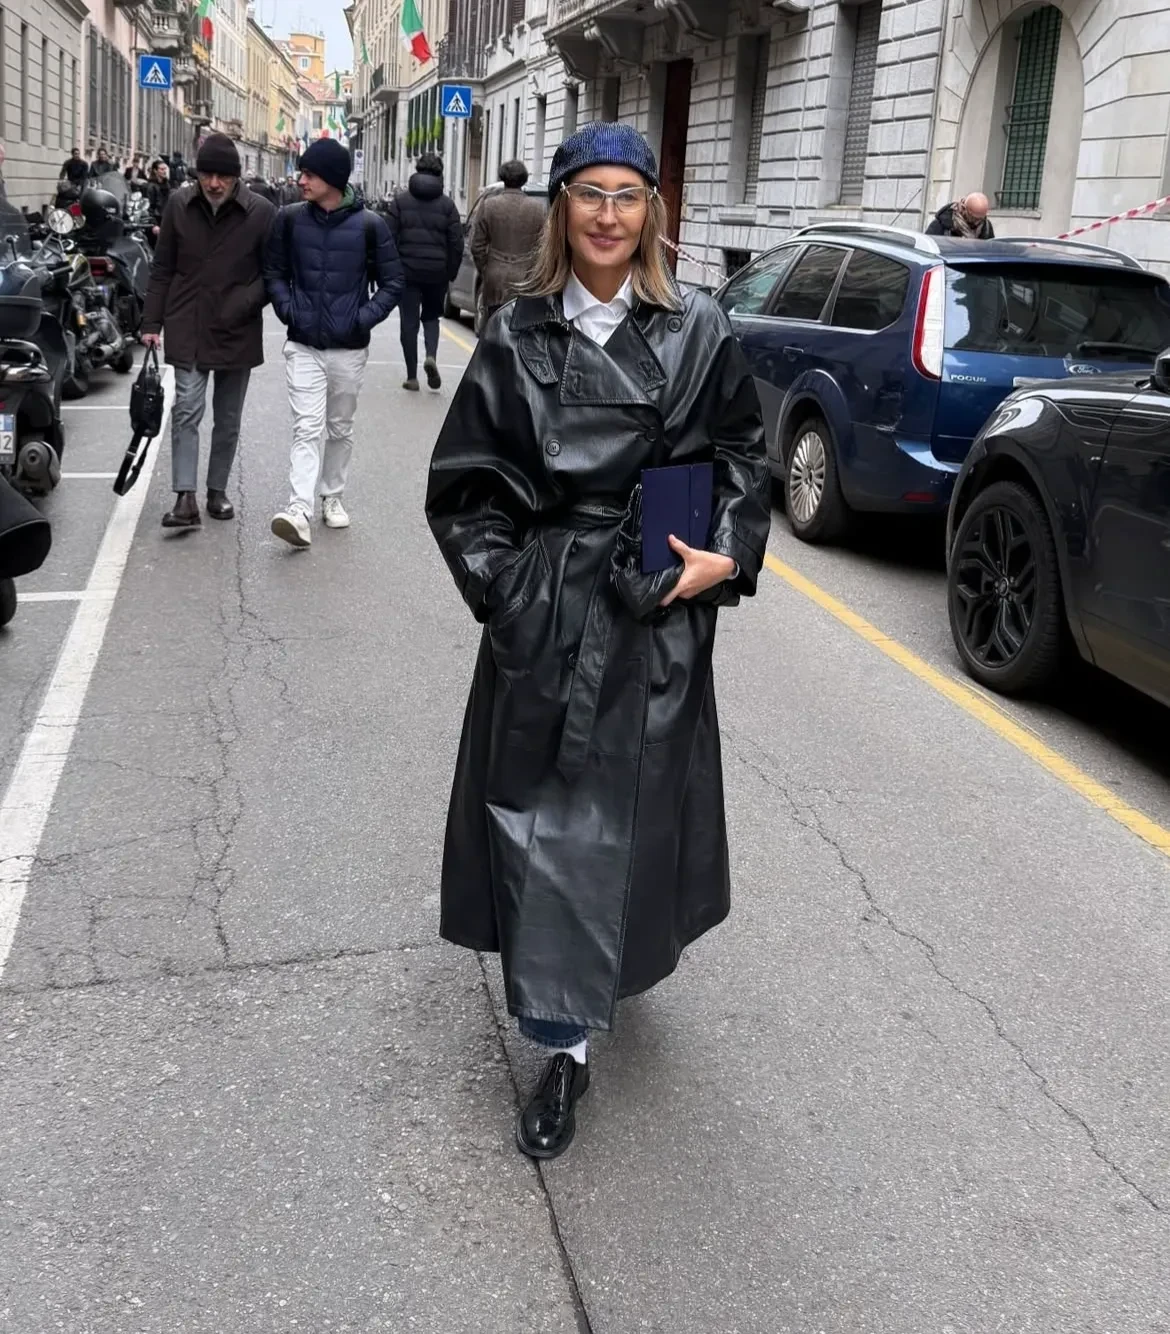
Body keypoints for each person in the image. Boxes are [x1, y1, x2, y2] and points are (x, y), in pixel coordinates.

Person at [425, 122, 771, 1161]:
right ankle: (563, 1044)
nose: (609, 215)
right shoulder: (515, 332)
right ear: (562, 207)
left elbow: (742, 455)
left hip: (655, 605)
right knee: (547, 823)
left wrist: (723, 556)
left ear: (651, 211)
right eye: (590, 194)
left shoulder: (699, 325)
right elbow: (465, 488)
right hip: (548, 608)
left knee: (633, 816)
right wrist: (509, 593)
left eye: (628, 195)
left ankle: (605, 972)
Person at [265, 138, 403, 549]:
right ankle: (299, 510)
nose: (301, 180)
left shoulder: (370, 225)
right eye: (302, 173)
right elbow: (274, 272)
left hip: (349, 348)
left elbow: (393, 282)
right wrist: (289, 310)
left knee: (340, 427)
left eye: (309, 174)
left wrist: (361, 318)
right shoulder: (290, 219)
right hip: (303, 344)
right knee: (306, 426)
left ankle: (332, 496)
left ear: (332, 179)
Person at [141, 133, 275, 528]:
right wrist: (151, 322)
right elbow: (163, 267)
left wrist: (244, 302)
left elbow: (273, 275)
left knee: (228, 418)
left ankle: (217, 490)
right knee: (186, 409)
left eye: (222, 177)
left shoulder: (261, 213)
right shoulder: (179, 204)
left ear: (236, 177)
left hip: (237, 326)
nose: (214, 184)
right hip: (189, 321)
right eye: (206, 175)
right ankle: (185, 496)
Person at [385, 152, 462, 392]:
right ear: (440, 174)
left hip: (406, 273)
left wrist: (390, 270)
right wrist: (450, 273)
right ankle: (431, 356)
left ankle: (412, 377)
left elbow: (388, 238)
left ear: (416, 171)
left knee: (408, 322)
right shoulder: (448, 206)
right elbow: (456, 243)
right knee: (431, 317)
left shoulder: (400, 202)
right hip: (436, 273)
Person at [471, 159, 545, 322]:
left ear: (503, 178)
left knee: (493, 324)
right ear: (523, 180)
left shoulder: (489, 205)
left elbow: (477, 246)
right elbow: (543, 247)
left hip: (496, 276)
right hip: (525, 277)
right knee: (519, 326)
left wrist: (486, 269)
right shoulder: (538, 209)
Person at [927, 192, 994, 239]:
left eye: (981, 219)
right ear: (963, 209)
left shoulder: (986, 226)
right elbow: (929, 248)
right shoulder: (941, 224)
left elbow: (990, 249)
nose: (977, 222)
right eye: (974, 218)